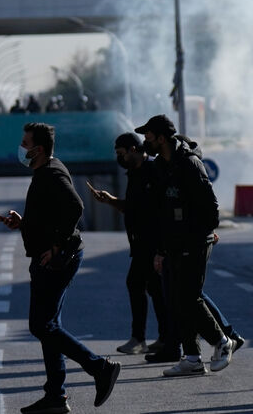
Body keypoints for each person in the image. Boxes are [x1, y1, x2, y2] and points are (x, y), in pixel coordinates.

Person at [0, 122, 120, 413]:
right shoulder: (46, 170)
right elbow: (50, 217)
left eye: (24, 143)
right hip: (53, 256)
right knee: (50, 326)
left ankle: (99, 368)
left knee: (41, 325)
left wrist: (57, 246)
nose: (21, 148)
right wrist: (23, 223)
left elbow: (75, 207)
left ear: (38, 149)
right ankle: (56, 396)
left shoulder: (50, 173)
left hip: (56, 260)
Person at [136, 115, 234, 377]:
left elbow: (211, 208)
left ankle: (223, 342)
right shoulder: (160, 167)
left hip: (194, 241)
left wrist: (202, 234)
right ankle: (191, 357)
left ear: (161, 137)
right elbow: (159, 212)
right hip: (171, 244)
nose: (145, 141)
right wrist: (160, 250)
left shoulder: (190, 164)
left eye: (148, 136)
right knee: (175, 302)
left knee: (189, 297)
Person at [88, 133, 173, 359]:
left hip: (153, 242)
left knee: (139, 284)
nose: (119, 157)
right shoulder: (134, 173)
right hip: (140, 242)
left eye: (121, 153)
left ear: (134, 148)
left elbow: (158, 209)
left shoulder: (153, 170)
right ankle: (162, 338)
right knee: (153, 289)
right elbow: (133, 208)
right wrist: (111, 201)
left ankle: (143, 339)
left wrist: (161, 249)